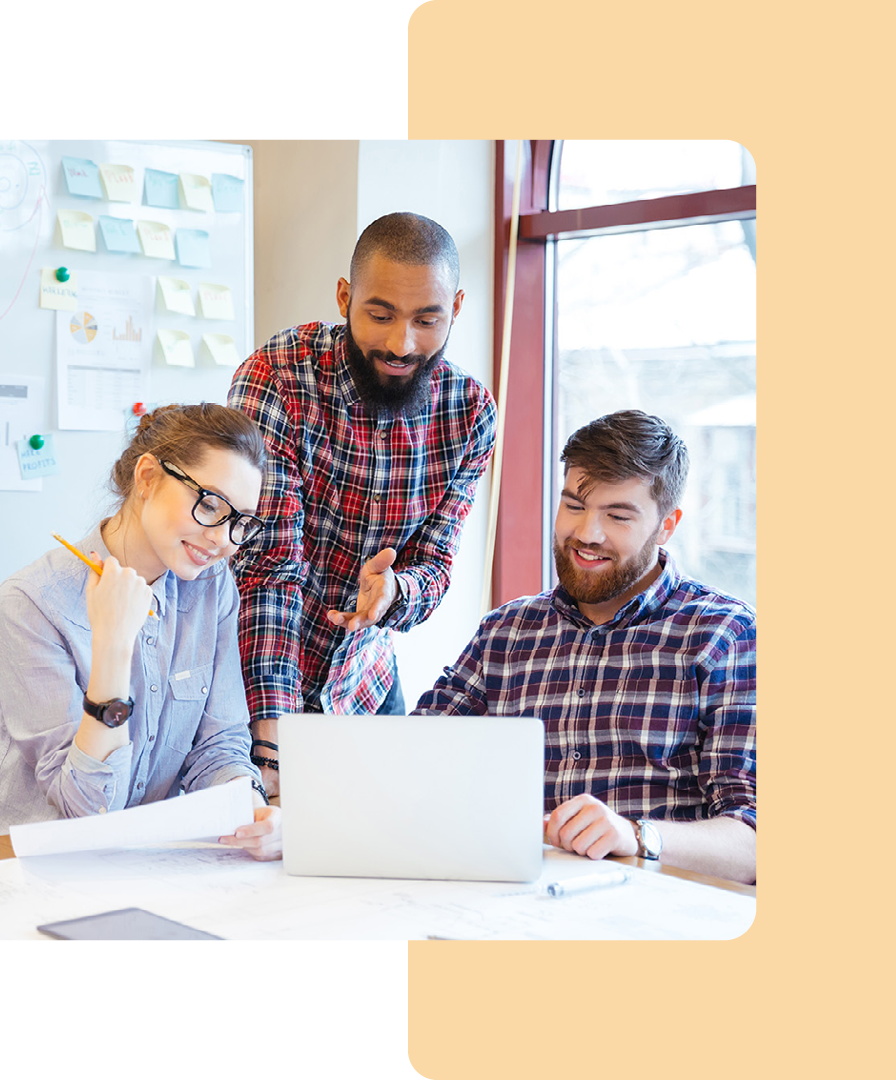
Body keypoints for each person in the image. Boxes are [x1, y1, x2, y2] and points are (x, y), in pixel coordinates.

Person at [415, 410, 756, 884]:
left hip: (653, 920)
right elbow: (410, 762)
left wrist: (634, 836)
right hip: (508, 905)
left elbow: (752, 843)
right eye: (574, 505)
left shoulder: (724, 636)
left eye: (618, 516)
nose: (587, 533)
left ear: (667, 526)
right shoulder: (506, 632)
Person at [227, 212, 497, 794]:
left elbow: (436, 564)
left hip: (363, 683)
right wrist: (273, 748)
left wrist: (398, 592)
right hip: (251, 674)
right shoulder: (278, 376)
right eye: (380, 316)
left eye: (428, 320)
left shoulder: (470, 413)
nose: (402, 344)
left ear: (456, 307)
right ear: (345, 297)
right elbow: (266, 568)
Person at [0, 403, 282, 860]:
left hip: (136, 861)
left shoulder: (211, 587)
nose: (223, 539)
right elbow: (88, 810)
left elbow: (219, 743)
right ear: (147, 479)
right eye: (210, 504)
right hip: (12, 864)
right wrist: (112, 645)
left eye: (240, 521)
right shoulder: (31, 602)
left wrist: (249, 805)